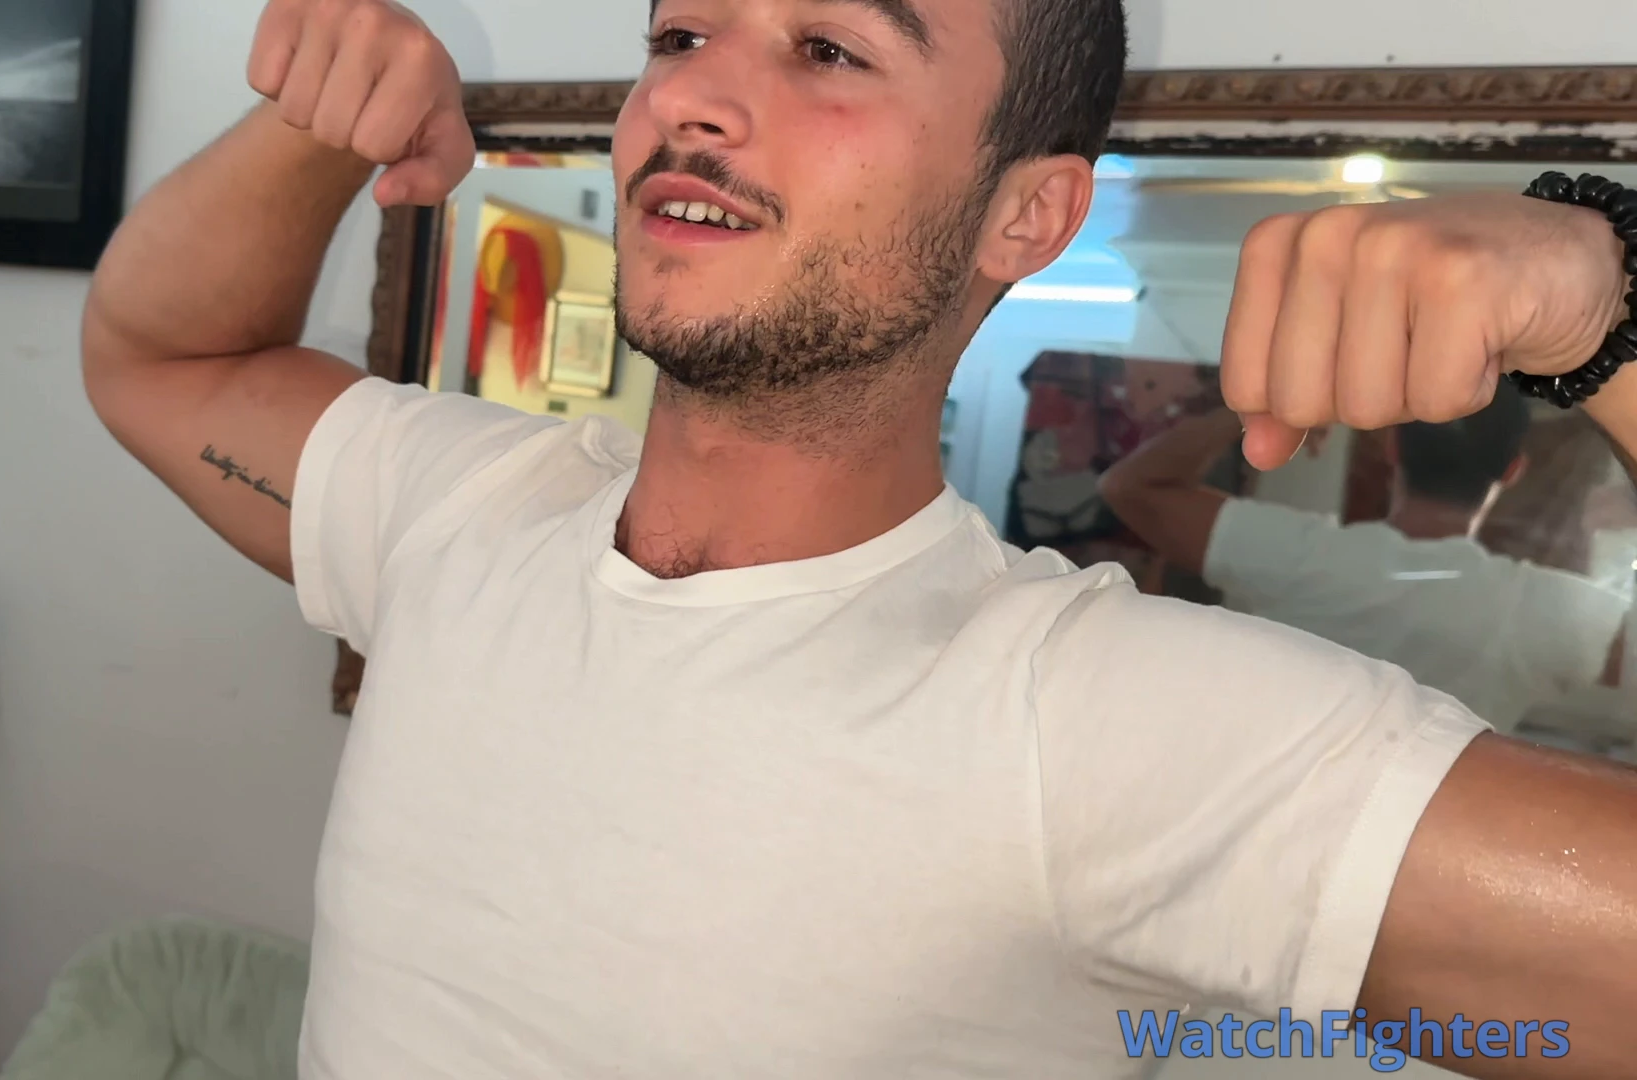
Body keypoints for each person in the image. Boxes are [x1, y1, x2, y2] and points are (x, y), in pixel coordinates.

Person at [79, 0, 1637, 1075]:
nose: (687, 97)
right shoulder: (453, 510)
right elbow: (159, 360)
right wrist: (319, 125)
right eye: (680, 36)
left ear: (1027, 216)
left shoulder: (1100, 729)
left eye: (827, 49)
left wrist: (1608, 306)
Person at [1099, 395, 1629, 730]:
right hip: (1411, 863)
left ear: (1391, 447)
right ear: (1512, 470)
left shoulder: (1299, 555)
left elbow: (1131, 486)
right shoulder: (1542, 612)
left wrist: (1266, 409)